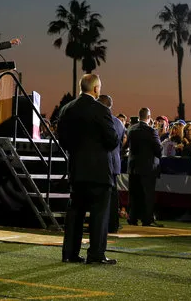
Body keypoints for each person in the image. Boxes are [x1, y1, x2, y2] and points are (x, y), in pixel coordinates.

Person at [58, 74, 119, 265]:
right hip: (99, 171)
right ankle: (96, 254)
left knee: (75, 213)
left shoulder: (67, 109)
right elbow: (112, 139)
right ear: (95, 89)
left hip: (77, 169)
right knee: (99, 214)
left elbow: (63, 140)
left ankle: (69, 253)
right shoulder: (100, 110)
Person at [126, 107, 163, 227]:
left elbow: (125, 146)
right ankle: (147, 219)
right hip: (148, 168)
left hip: (133, 167)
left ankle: (132, 218)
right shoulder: (151, 131)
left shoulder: (131, 129)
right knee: (147, 195)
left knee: (134, 194)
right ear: (148, 117)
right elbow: (158, 150)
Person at [97, 94, 126, 234]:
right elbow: (120, 144)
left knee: (103, 197)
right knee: (114, 196)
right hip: (115, 163)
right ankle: (113, 225)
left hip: (103, 162)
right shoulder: (119, 123)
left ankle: (102, 225)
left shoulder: (102, 120)